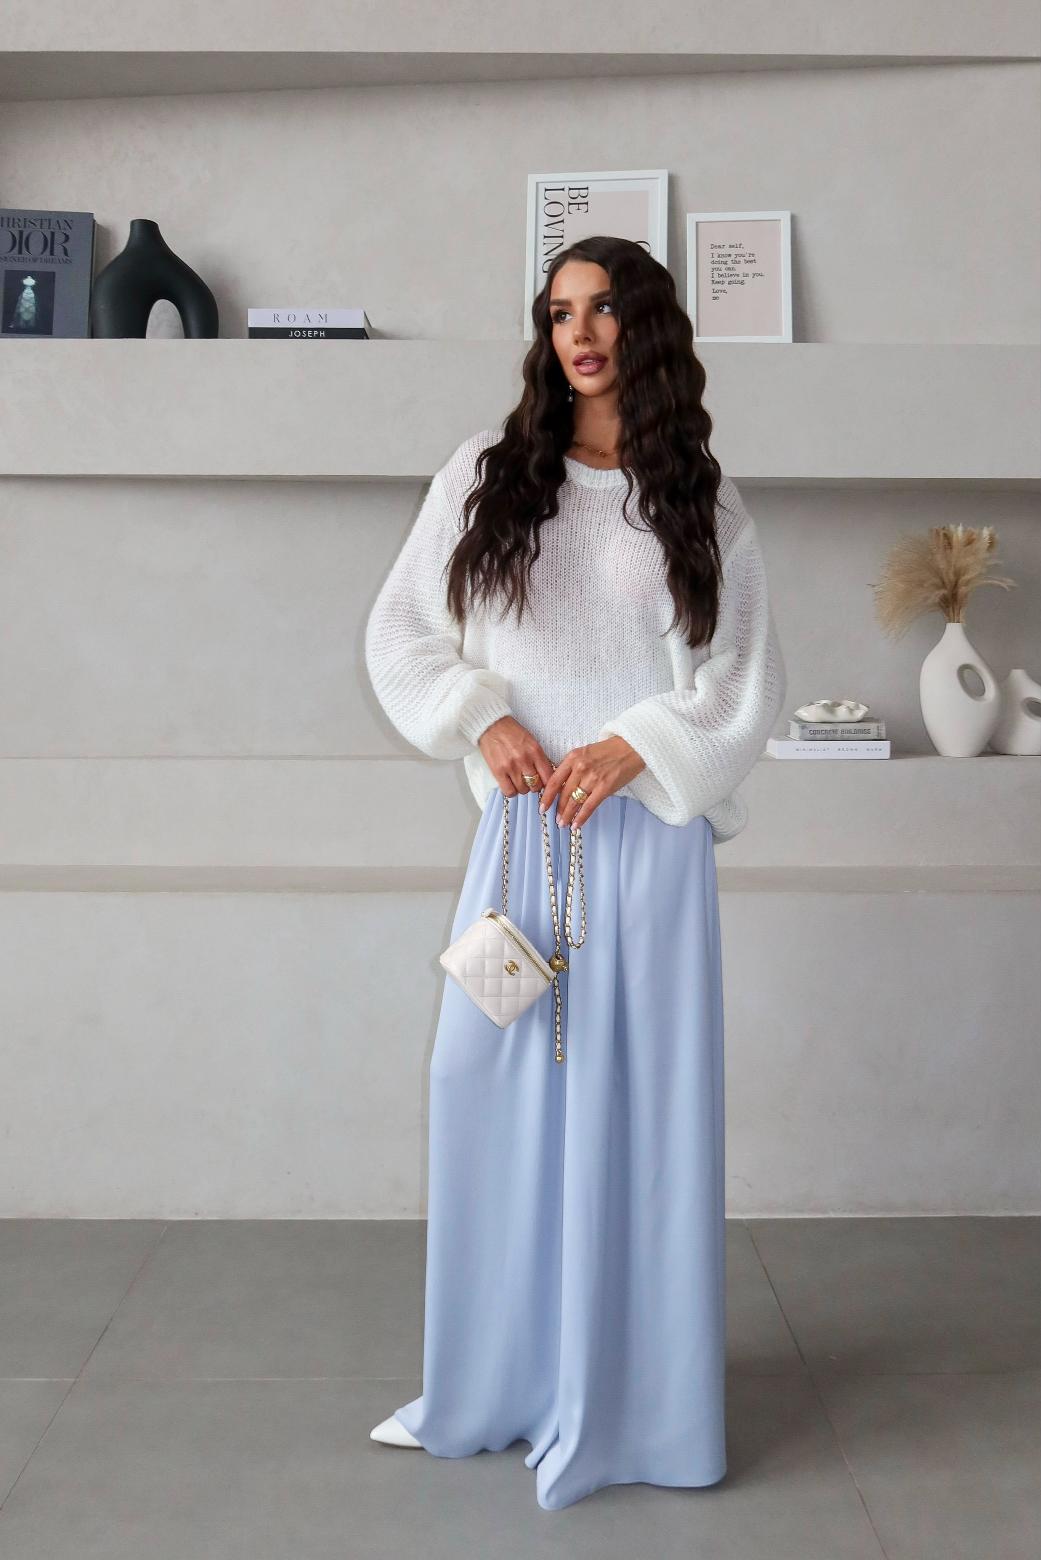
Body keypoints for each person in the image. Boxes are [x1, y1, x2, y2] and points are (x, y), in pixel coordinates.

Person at [363, 235, 787, 1511]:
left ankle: (641, 1404)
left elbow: (742, 685)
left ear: (645, 326)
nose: (580, 334)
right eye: (559, 313)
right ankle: (502, 1378)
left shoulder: (702, 506)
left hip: (647, 849)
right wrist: (479, 717)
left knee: (638, 1116)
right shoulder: (486, 478)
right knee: (481, 1083)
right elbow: (402, 633)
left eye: (603, 310)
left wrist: (638, 742)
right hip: (521, 841)